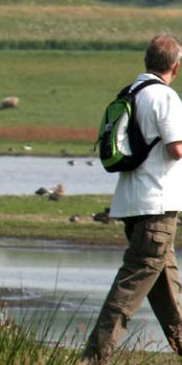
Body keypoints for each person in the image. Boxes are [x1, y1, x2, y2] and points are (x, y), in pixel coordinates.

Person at [83, 34, 182, 363]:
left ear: (146, 62)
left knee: (167, 293)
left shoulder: (129, 93)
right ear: (176, 67)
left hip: (131, 206)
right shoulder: (165, 98)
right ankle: (92, 358)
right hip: (158, 207)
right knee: (128, 290)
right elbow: (176, 149)